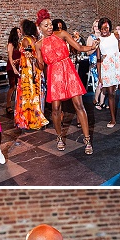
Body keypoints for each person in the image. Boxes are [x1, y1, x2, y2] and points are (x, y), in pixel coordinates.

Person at [36, 9, 96, 153]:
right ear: (40, 28)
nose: (50, 27)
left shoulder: (62, 34)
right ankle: (59, 137)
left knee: (79, 105)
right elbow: (40, 66)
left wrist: (92, 47)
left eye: (50, 24)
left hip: (68, 70)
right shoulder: (38, 45)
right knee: (56, 109)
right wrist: (34, 59)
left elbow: (79, 47)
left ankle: (87, 139)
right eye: (46, 25)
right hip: (54, 75)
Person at [95, 18, 120, 130]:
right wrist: (100, 76)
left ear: (110, 27)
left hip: (119, 64)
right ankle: (113, 119)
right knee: (111, 94)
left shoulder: (116, 36)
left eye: (106, 27)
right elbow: (98, 60)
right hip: (107, 67)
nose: (104, 30)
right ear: (99, 29)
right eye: (102, 28)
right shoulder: (98, 41)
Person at [14, 19, 49, 132]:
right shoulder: (35, 39)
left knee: (28, 95)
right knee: (36, 95)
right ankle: (35, 117)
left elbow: (30, 56)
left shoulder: (25, 40)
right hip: (35, 69)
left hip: (28, 71)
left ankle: (30, 120)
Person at [5, 26, 22, 113]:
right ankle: (8, 105)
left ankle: (18, 104)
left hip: (19, 66)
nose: (20, 34)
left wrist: (19, 60)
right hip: (11, 68)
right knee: (13, 86)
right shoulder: (11, 44)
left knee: (19, 86)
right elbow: (10, 58)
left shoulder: (19, 44)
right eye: (18, 32)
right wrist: (14, 68)